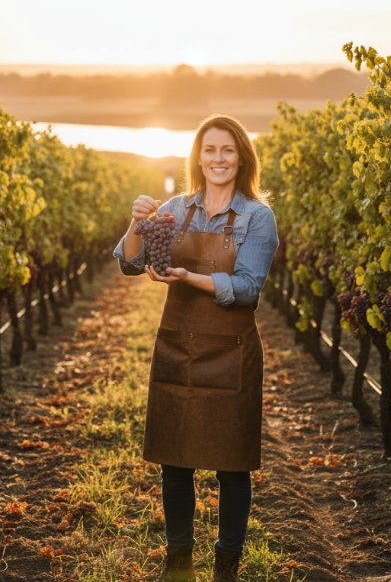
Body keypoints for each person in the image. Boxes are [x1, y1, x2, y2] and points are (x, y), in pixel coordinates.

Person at [112, 115, 279, 582]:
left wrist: (191, 278)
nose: (218, 159)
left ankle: (226, 568)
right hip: (177, 349)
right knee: (175, 461)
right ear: (198, 157)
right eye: (210, 150)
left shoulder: (257, 217)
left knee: (232, 466)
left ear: (242, 157)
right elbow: (130, 262)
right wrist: (135, 223)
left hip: (231, 352)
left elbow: (247, 289)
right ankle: (178, 563)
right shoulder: (177, 207)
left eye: (228, 150)